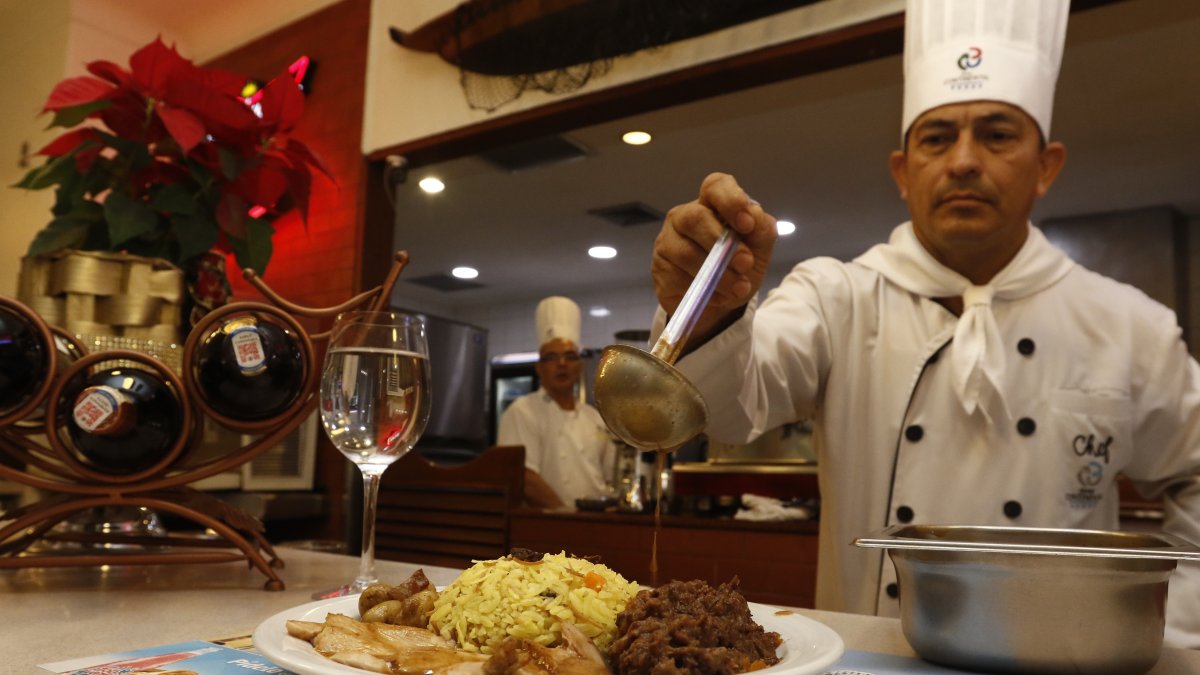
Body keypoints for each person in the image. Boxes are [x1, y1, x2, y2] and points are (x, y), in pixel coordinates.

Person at [648, 0, 1200, 647]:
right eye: (936, 138)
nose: (963, 160)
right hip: (871, 660)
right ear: (903, 173)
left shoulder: (1128, 324)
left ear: (1046, 165)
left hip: (1065, 659)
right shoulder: (837, 296)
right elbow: (729, 406)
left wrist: (1166, 624)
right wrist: (707, 309)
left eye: (997, 135)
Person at [498, 296, 615, 508]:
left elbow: (610, 477)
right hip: (549, 525)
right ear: (539, 368)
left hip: (595, 521)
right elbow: (525, 478)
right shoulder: (522, 411)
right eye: (552, 357)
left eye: (570, 356)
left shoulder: (595, 417)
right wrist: (566, 517)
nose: (562, 364)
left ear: (579, 366)